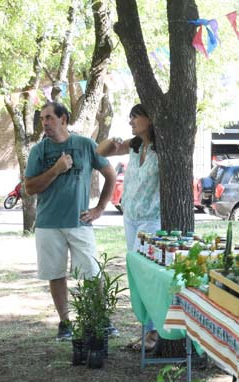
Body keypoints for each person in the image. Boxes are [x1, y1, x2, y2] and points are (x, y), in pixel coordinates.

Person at [24, 101, 117, 340]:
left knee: (91, 273)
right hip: (48, 224)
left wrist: (99, 209)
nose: (44, 123)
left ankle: (99, 319)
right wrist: (55, 170)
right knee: (56, 274)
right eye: (42, 119)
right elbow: (30, 187)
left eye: (49, 118)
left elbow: (110, 175)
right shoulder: (39, 151)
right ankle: (65, 323)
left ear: (63, 119)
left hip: (80, 222)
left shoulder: (85, 145)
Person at [97, 104, 160, 350]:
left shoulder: (161, 149)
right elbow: (99, 152)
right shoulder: (134, 146)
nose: (131, 121)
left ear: (151, 118)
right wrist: (113, 139)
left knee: (146, 274)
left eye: (136, 117)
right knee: (137, 274)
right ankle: (146, 330)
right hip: (131, 216)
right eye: (130, 117)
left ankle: (153, 332)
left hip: (152, 219)